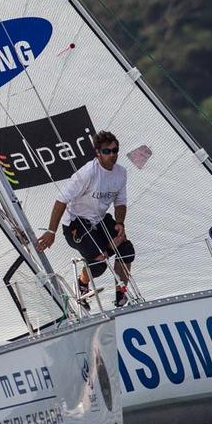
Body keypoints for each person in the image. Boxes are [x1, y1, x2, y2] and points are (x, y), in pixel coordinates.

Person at [36, 130, 135, 308]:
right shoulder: (88, 173)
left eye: (115, 150)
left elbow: (120, 202)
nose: (112, 155)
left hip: (100, 220)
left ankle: (121, 295)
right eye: (107, 151)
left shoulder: (121, 172)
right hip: (76, 223)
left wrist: (120, 223)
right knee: (99, 263)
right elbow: (61, 200)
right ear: (98, 153)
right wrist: (51, 232)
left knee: (127, 249)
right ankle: (82, 283)